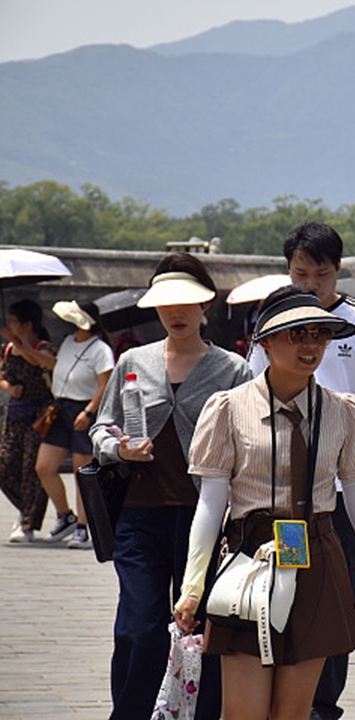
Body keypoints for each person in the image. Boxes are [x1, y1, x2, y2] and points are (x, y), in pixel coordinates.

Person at [174, 287, 355, 719]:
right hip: (249, 561)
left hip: (318, 559)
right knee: (243, 712)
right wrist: (192, 588)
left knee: (292, 714)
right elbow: (210, 505)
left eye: (319, 336)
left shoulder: (344, 411)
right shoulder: (228, 408)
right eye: (296, 334)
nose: (310, 346)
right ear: (265, 342)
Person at [246, 222, 355, 720]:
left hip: (337, 488)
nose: (311, 283)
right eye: (300, 272)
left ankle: (321, 703)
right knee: (275, 589)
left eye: (321, 273)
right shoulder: (271, 319)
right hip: (275, 489)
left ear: (338, 271)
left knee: (337, 593)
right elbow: (248, 389)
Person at [91, 254, 253, 719]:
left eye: (186, 302)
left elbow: (250, 442)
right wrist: (119, 449)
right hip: (139, 515)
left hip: (205, 520)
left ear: (205, 305)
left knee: (204, 629)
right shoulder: (132, 361)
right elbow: (102, 428)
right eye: (166, 304)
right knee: (139, 627)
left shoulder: (233, 370)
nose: (176, 312)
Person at [35, 300, 115, 549]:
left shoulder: (100, 349)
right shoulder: (69, 342)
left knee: (82, 472)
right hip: (60, 408)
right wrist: (23, 346)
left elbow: (106, 384)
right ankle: (64, 515)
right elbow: (55, 366)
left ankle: (83, 525)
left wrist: (89, 412)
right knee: (44, 466)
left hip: (84, 409)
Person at [1, 299, 53, 543]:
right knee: (5, 465)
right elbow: (1, 375)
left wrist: (21, 345)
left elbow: (40, 361)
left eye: (13, 321)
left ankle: (27, 522)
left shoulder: (43, 347)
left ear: (27, 324)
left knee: (32, 468)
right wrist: (9, 388)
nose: (9, 325)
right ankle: (27, 508)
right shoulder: (8, 349)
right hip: (15, 415)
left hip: (39, 417)